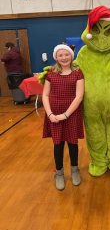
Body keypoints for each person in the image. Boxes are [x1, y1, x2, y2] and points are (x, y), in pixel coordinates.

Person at [42, 44, 84, 191]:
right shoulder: (51, 73)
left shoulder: (78, 73)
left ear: (71, 56)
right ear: (56, 57)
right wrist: (50, 114)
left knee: (73, 143)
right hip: (54, 114)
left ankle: (75, 170)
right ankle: (59, 173)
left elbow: (79, 97)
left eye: (66, 55)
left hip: (71, 114)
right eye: (60, 55)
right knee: (58, 144)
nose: (64, 57)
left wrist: (65, 115)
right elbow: (45, 95)